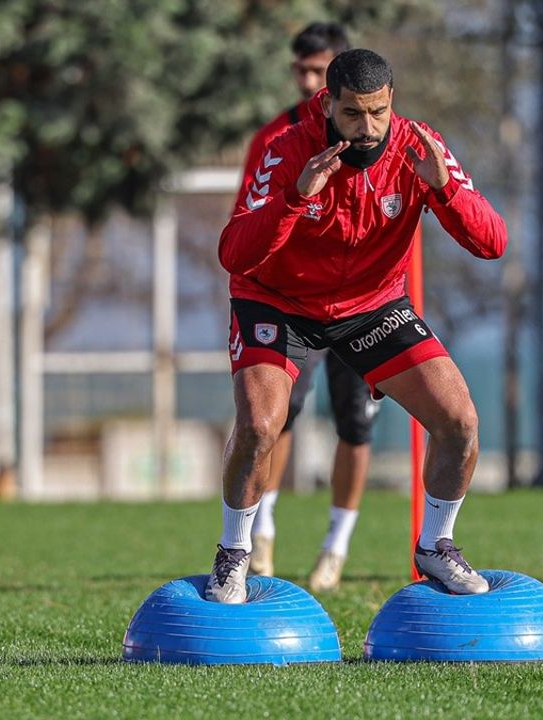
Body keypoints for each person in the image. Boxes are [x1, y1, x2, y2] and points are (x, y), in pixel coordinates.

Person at [207, 48, 508, 603]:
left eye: (378, 113)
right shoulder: (287, 149)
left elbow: (492, 242)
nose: (367, 129)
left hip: (370, 306)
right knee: (259, 425)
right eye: (352, 115)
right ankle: (235, 554)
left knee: (460, 420)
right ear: (328, 104)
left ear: (392, 101)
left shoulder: (420, 145)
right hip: (277, 302)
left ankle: (435, 547)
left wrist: (444, 190)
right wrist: (296, 196)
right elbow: (234, 252)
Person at [232, 22, 380, 593]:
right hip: (294, 301)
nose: (310, 81)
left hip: (365, 302)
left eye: (320, 70)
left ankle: (335, 548)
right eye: (303, 71)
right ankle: (261, 534)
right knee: (277, 416)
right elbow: (248, 224)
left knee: (356, 424)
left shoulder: (385, 136)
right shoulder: (275, 138)